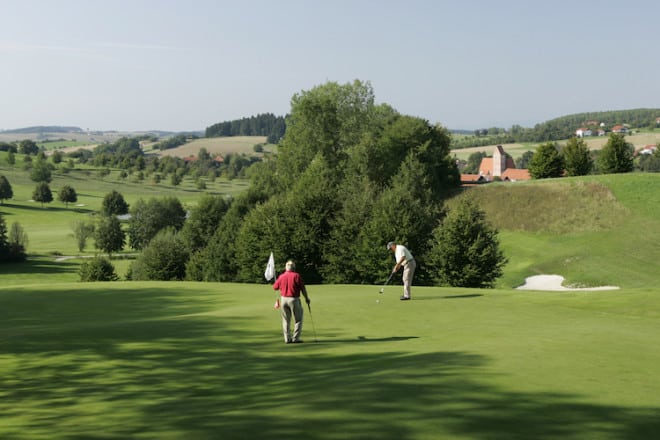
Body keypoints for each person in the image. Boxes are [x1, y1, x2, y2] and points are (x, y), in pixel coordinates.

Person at [273, 260, 310, 343]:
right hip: (294, 299)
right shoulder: (296, 276)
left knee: (286, 320)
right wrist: (306, 298)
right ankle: (295, 338)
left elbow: (275, 287)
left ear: (286, 268)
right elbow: (302, 288)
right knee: (298, 319)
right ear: (294, 268)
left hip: (283, 299)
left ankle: (287, 338)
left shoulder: (281, 276)